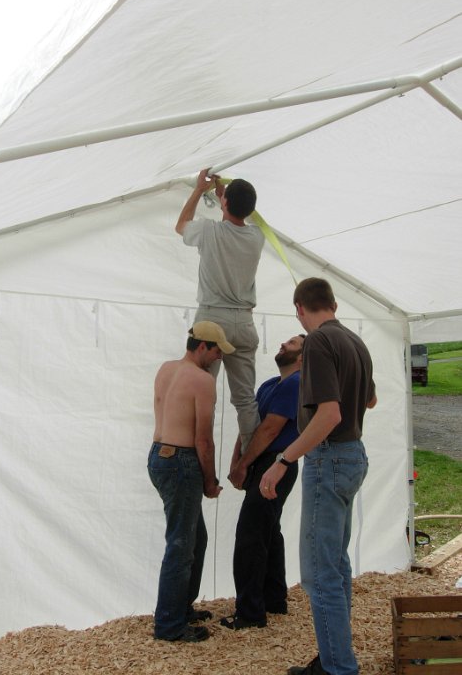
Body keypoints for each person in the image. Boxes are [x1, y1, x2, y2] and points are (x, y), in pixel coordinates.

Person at [260, 278, 377, 675]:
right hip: (353, 455)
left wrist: (284, 460)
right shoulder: (354, 341)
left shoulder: (319, 343)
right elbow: (370, 399)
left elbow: (329, 415)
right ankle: (333, 659)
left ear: (299, 308)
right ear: (333, 304)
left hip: (329, 458)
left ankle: (338, 668)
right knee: (336, 566)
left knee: (319, 573)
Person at [148, 321, 232, 642]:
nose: (219, 357)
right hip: (181, 461)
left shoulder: (166, 369)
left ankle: (180, 607)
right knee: (181, 545)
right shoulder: (202, 380)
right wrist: (210, 481)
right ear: (203, 347)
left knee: (196, 538)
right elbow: (203, 440)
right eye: (217, 351)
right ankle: (169, 625)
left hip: (158, 456)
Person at [175, 168, 265, 454]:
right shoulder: (257, 237)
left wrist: (199, 191)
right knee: (245, 400)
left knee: (202, 393)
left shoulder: (208, 230)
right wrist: (227, 201)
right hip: (244, 323)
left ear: (224, 202)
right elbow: (241, 219)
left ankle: (195, 457)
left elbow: (181, 225)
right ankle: (253, 461)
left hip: (212, 320)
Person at [220, 334, 305, 630]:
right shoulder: (271, 384)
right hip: (261, 460)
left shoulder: (296, 383)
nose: (283, 344)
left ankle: (250, 612)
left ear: (302, 357)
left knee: (251, 535)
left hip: (277, 463)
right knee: (268, 530)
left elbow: (270, 430)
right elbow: (249, 426)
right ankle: (273, 599)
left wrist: (244, 464)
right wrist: (237, 461)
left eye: (292, 343)